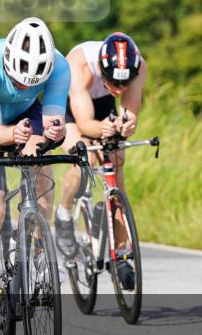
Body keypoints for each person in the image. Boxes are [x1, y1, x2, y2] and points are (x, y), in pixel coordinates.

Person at [0, 17, 69, 335]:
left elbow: (53, 121)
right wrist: (12, 134)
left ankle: (36, 252)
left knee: (41, 172)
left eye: (31, 83)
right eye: (19, 80)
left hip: (24, 115)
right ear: (8, 62)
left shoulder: (60, 67)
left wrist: (54, 130)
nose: (23, 86)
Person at [54, 32, 147, 290]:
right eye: (113, 84)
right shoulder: (79, 65)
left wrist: (126, 125)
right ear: (102, 71)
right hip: (72, 104)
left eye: (123, 85)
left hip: (102, 103)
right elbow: (84, 123)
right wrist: (101, 130)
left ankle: (121, 253)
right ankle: (64, 213)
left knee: (116, 169)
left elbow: (130, 111)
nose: (118, 90)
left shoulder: (138, 66)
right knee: (82, 154)